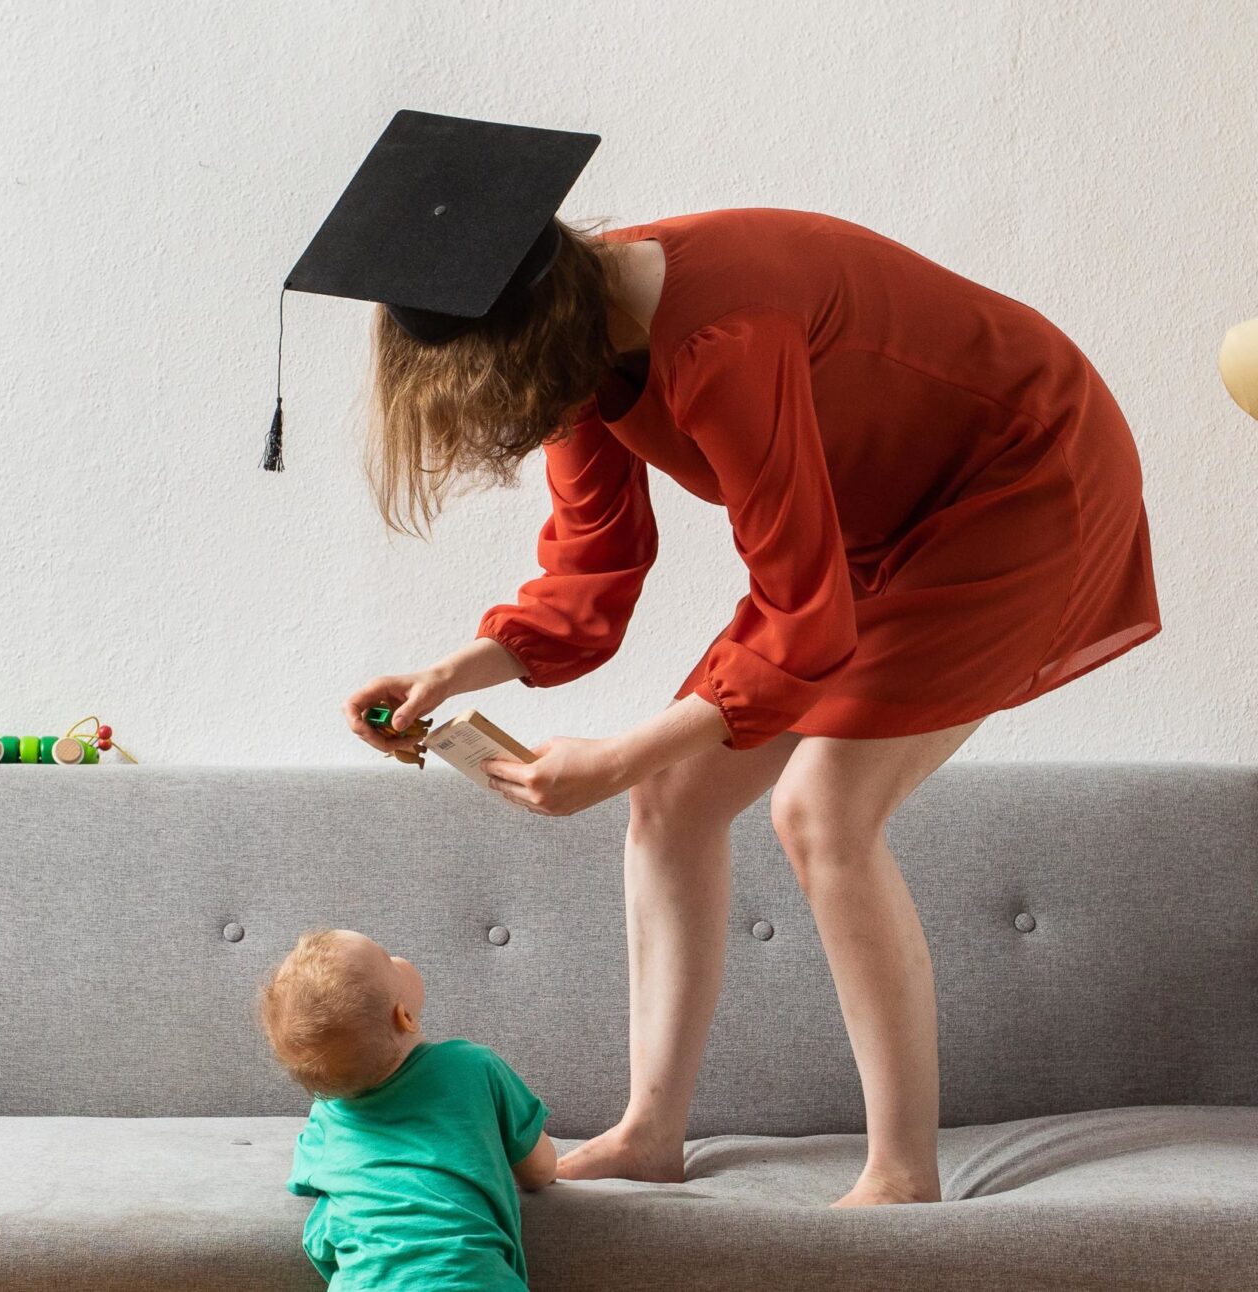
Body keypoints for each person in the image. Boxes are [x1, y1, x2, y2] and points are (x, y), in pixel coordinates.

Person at [291, 115, 1161, 1207]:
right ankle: (651, 1129)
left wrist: (610, 757)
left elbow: (801, 619)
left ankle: (902, 1172)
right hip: (878, 525)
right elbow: (594, 567)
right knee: (672, 792)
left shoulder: (721, 342)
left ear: (527, 344)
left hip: (1025, 482)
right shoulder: (578, 328)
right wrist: (455, 675)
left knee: (820, 812)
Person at [260, 929, 557, 1289]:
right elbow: (539, 1171)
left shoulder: (327, 1117)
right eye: (389, 959)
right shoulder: (474, 1067)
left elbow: (308, 1183)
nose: (400, 960)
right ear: (405, 1017)